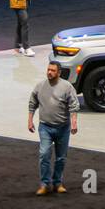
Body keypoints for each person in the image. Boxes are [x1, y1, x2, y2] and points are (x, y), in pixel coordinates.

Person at [27, 59, 79, 195]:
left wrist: (74, 122)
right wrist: (30, 120)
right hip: (45, 127)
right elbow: (32, 103)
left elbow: (74, 105)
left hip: (63, 128)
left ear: (59, 72)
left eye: (53, 70)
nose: (49, 72)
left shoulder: (67, 87)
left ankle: (57, 183)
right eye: (48, 70)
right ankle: (44, 184)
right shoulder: (40, 86)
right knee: (44, 154)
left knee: (61, 157)